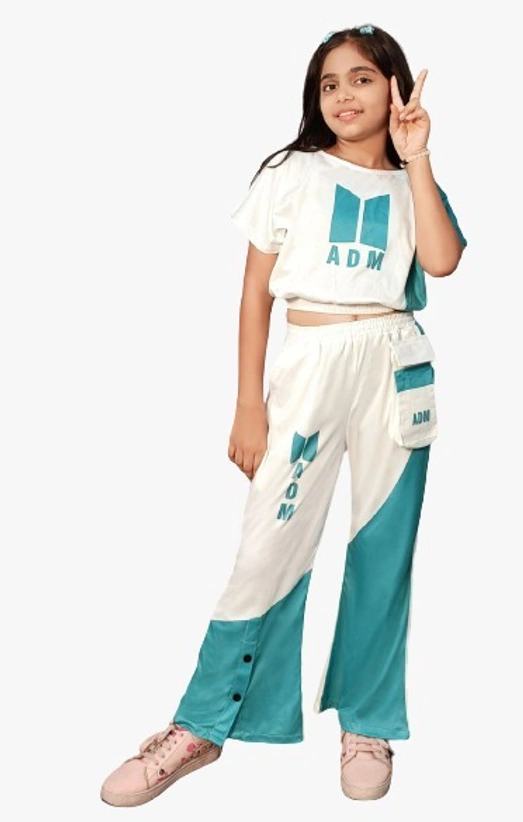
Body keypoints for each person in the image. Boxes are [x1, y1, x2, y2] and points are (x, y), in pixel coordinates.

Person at [100, 22, 467, 806]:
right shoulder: (291, 172)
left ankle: (367, 721)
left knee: (384, 550)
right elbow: (253, 293)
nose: (343, 95)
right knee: (268, 546)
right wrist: (247, 402)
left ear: (395, 87)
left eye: (361, 79)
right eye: (329, 83)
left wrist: (419, 156)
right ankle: (203, 724)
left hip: (394, 365)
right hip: (310, 363)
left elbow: (441, 261)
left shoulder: (414, 181)